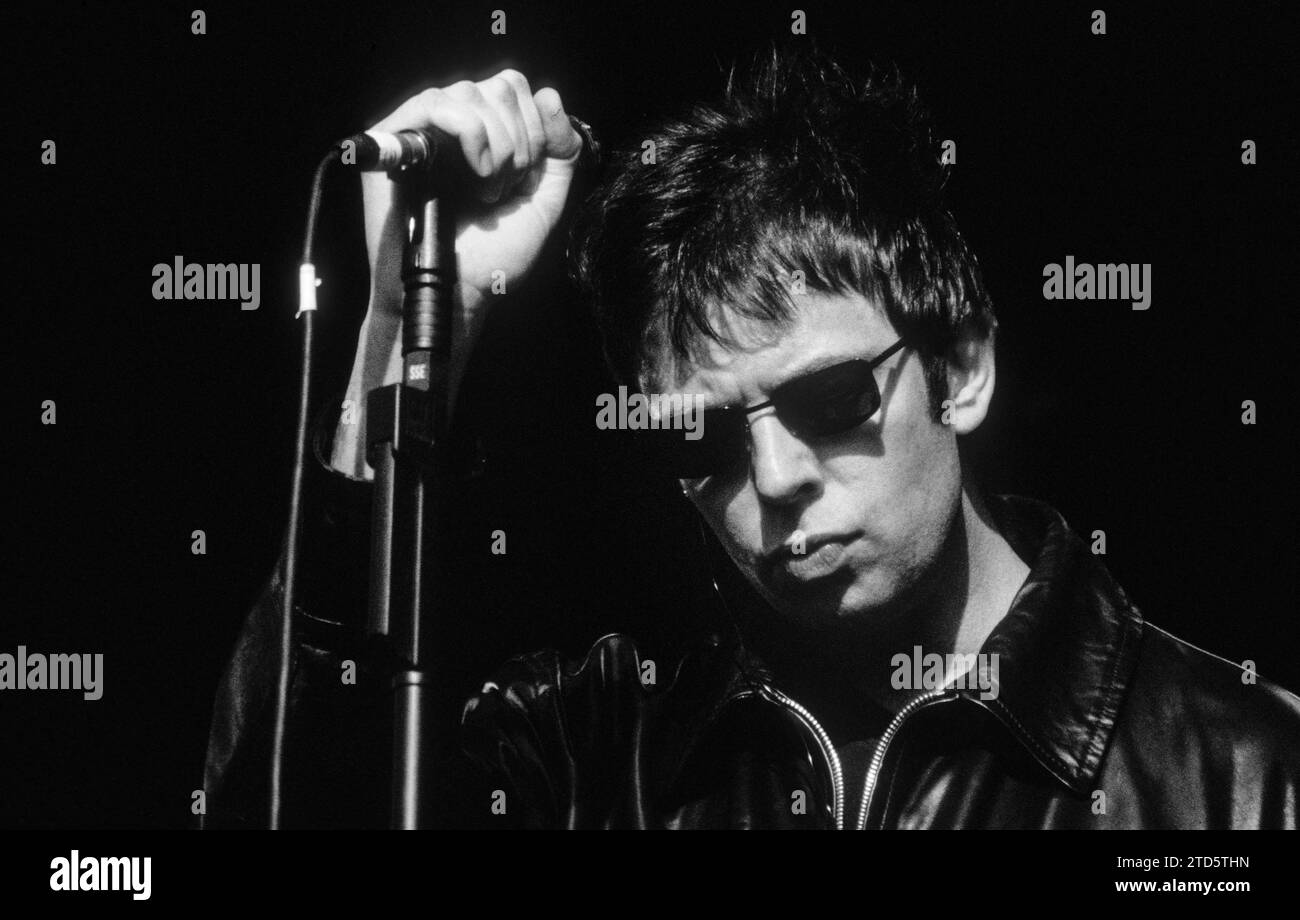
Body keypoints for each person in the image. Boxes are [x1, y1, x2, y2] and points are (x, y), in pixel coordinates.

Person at [203, 45, 1300, 829]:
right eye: (703, 440)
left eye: (830, 403)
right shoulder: (595, 752)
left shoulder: (1245, 772)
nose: (773, 478)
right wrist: (400, 337)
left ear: (960, 367)